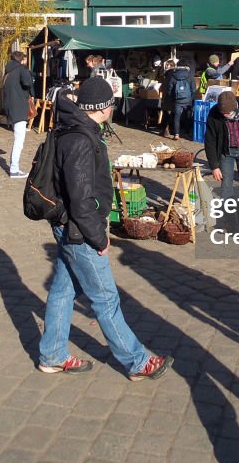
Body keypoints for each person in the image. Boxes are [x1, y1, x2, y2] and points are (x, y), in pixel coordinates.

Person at [38, 76, 173, 381]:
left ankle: (52, 354)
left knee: (62, 290)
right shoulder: (81, 140)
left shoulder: (71, 128)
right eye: (111, 102)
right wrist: (99, 237)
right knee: (105, 298)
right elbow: (81, 200)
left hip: (66, 225)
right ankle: (136, 361)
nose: (113, 106)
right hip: (79, 230)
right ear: (103, 107)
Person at [205, 90, 239, 198]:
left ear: (234, 107)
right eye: (223, 113)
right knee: (226, 187)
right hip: (226, 153)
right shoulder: (214, 113)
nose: (225, 115)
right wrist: (214, 167)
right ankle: (228, 213)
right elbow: (210, 141)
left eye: (227, 113)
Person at [3, 50, 35, 177]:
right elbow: (28, 83)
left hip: (10, 107)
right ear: (22, 60)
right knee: (19, 140)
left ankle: (14, 168)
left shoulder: (7, 72)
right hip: (19, 107)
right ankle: (14, 169)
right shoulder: (21, 70)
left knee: (18, 138)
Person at [164, 59, 195, 141]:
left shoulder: (173, 75)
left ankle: (176, 134)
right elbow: (193, 88)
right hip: (188, 99)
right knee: (188, 116)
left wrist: (173, 97)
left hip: (177, 100)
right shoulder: (190, 75)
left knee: (177, 117)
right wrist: (191, 97)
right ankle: (187, 132)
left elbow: (169, 89)